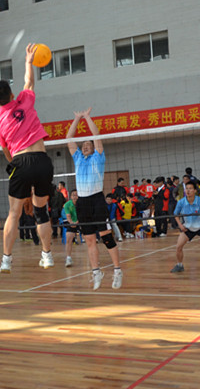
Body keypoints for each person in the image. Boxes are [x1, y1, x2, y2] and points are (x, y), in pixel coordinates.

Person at [0, 43, 54, 273]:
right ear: (11, 94)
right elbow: (29, 82)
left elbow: (6, 152)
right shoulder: (25, 100)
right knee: (41, 212)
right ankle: (46, 255)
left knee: (14, 214)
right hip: (42, 160)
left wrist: (15, 165)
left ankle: (6, 259)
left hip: (20, 162)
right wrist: (28, 62)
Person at [66, 107, 123, 290]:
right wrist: (77, 119)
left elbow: (96, 135)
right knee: (89, 240)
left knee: (106, 237)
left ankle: (117, 270)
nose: (85, 146)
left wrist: (87, 117)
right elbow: (69, 138)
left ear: (93, 147)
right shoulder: (78, 158)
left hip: (97, 200)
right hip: (82, 203)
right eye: (83, 144)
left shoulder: (98, 157)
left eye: (88, 144)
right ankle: (96, 272)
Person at [63, 189, 79, 268]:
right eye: (73, 195)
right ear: (71, 196)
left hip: (81, 221)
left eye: (76, 195)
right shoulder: (67, 205)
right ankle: (68, 258)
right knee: (68, 238)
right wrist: (71, 223)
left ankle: (92, 257)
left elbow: (82, 215)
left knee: (89, 239)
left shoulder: (82, 203)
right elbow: (68, 216)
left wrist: (77, 222)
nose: (75, 197)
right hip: (72, 222)